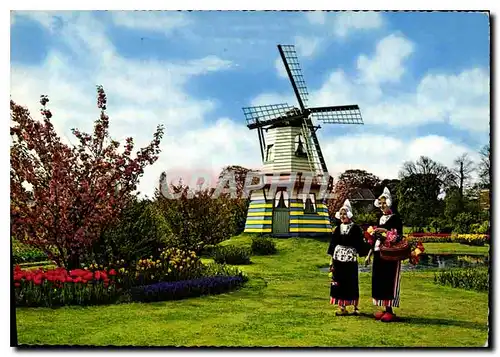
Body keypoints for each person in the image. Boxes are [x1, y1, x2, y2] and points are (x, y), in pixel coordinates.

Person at [364, 187, 404, 323]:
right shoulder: (380, 218)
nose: (382, 206)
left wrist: (385, 231)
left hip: (390, 254)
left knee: (389, 280)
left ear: (389, 203)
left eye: (384, 203)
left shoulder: (395, 219)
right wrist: (369, 254)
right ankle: (384, 308)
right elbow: (374, 239)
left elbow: (398, 236)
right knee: (379, 280)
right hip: (378, 253)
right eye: (380, 203)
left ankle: (390, 310)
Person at [327, 199, 370, 316]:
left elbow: (360, 243)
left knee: (351, 282)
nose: (342, 216)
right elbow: (333, 244)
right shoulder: (337, 228)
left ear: (349, 214)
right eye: (341, 214)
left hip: (350, 259)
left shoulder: (355, 228)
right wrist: (331, 261)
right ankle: (342, 307)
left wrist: (368, 252)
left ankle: (355, 307)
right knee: (339, 282)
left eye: (344, 213)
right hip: (338, 258)